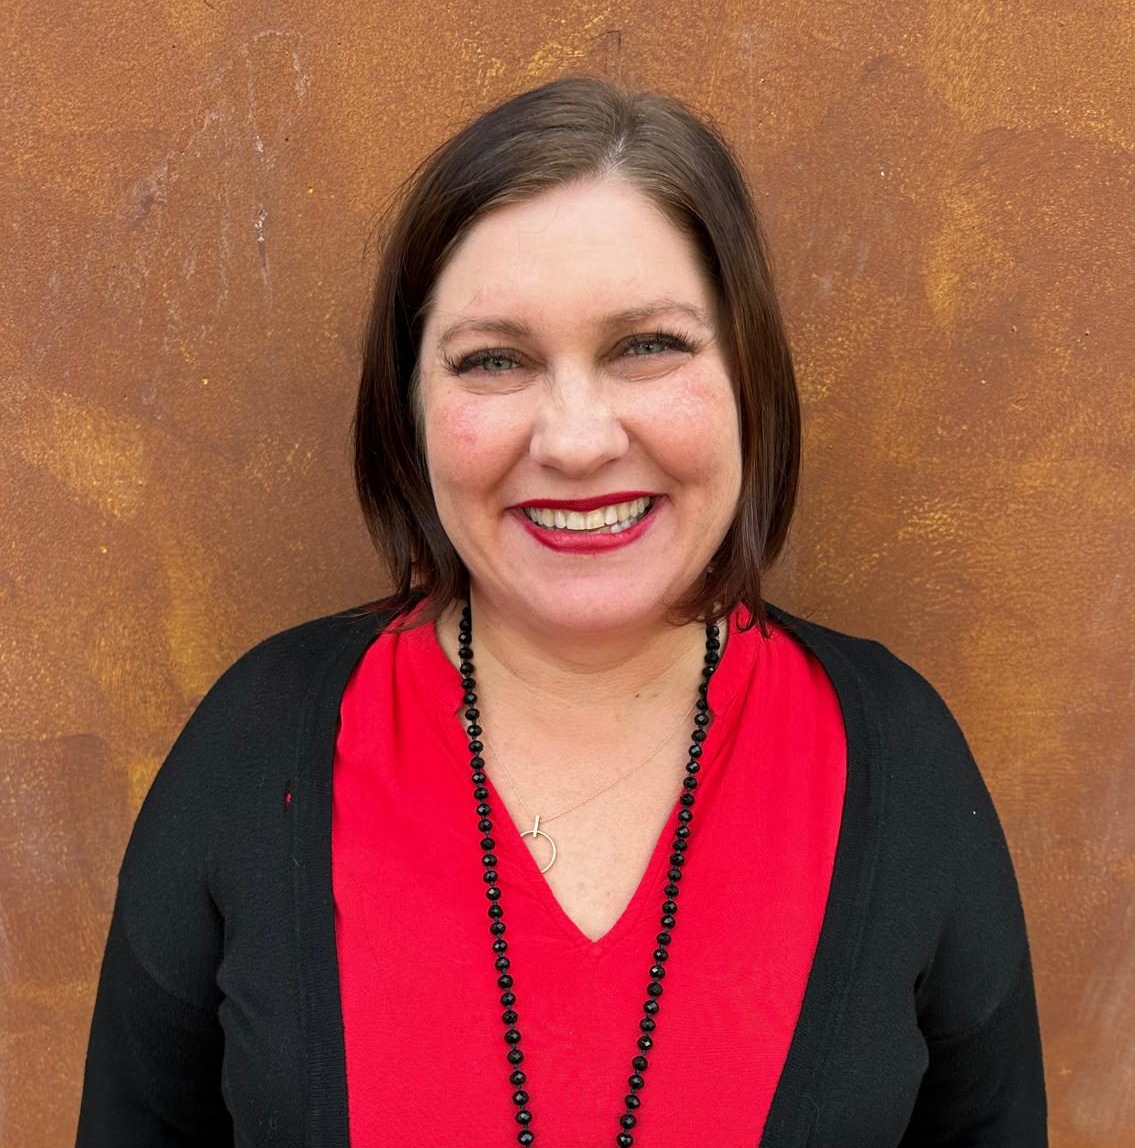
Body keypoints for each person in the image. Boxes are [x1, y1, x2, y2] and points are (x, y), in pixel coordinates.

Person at [75, 76, 1047, 1146]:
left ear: (749, 378)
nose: (577, 442)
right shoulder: (256, 751)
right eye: (494, 360)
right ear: (409, 409)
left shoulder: (897, 763)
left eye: (649, 346)